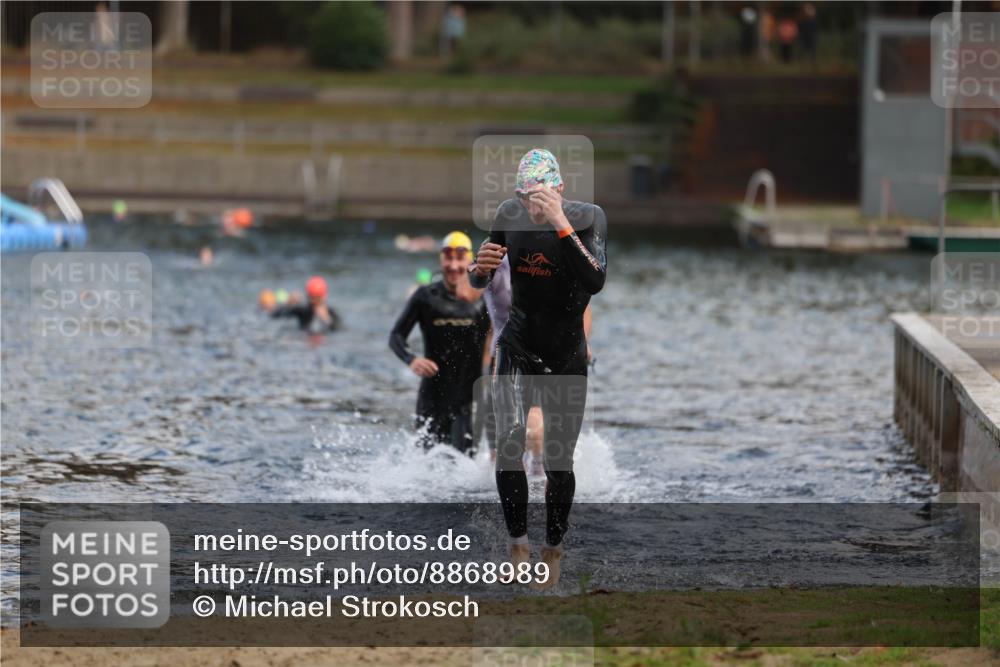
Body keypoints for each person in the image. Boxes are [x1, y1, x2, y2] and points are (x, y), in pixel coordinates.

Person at [470, 148, 607, 590]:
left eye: (541, 194)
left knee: (558, 461)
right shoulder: (509, 214)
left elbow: (596, 281)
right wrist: (478, 269)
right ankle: (518, 543)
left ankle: (553, 548)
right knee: (509, 446)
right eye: (526, 195)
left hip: (567, 352)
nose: (532, 204)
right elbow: (481, 279)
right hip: (518, 347)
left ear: (560, 189)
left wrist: (559, 223)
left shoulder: (588, 218)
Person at [389, 232, 490, 455]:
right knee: (427, 468)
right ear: (441, 260)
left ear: (470, 261)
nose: (453, 266)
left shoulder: (484, 298)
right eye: (448, 258)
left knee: (465, 469)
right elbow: (396, 336)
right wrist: (411, 359)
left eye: (459, 259)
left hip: (468, 401)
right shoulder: (426, 296)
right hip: (432, 397)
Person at [269, 276, 342, 333]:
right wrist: (288, 304)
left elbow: (340, 330)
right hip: (304, 339)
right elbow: (275, 315)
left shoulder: (331, 312)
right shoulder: (304, 310)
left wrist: (327, 319)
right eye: (312, 298)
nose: (315, 302)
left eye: (317, 299)